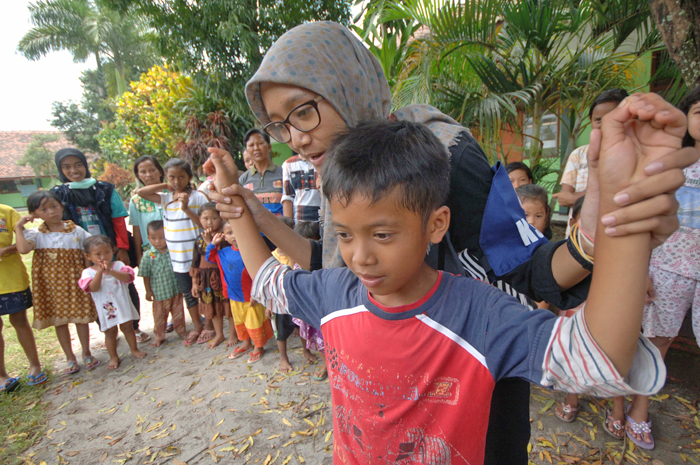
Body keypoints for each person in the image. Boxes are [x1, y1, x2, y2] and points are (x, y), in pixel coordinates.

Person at [207, 21, 693, 465]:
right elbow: (326, 267)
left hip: (472, 388)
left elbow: (525, 267)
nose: (294, 137)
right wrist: (248, 212)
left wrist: (617, 223)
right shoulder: (344, 204)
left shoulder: (442, 159)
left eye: (303, 112)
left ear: (345, 85)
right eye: (278, 124)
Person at [614, 85, 700, 450]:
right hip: (672, 258)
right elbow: (647, 216)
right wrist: (643, 267)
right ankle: (638, 409)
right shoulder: (670, 160)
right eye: (698, 111)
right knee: (657, 339)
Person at [52, 148, 150, 343]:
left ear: (85, 165)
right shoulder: (59, 194)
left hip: (110, 247)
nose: (74, 170)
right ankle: (109, 329)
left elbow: (118, 219)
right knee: (96, 289)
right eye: (67, 167)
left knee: (125, 285)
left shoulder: (104, 189)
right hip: (82, 252)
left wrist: (121, 248)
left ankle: (133, 327)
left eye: (78, 164)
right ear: (60, 169)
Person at [14, 191, 99, 375]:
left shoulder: (76, 230)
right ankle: (70, 357)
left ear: (61, 206)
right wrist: (18, 227)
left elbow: (88, 249)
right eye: (44, 209)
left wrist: (89, 272)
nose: (51, 211)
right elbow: (22, 249)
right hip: (51, 287)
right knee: (60, 321)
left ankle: (86, 352)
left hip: (75, 283)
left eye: (54, 206)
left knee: (80, 318)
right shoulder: (36, 234)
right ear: (34, 214)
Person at [134, 158, 208, 347]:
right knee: (187, 293)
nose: (177, 181)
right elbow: (140, 192)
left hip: (197, 254)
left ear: (189, 177)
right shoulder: (165, 198)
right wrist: (168, 187)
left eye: (181, 177)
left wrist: (185, 208)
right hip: (177, 257)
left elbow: (204, 224)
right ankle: (198, 326)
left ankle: (210, 322)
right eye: (172, 177)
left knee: (205, 288)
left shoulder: (198, 197)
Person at [554, 89, 629, 235]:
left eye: (612, 117)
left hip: (615, 235)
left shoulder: (633, 155)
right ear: (591, 120)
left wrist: (578, 197)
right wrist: (603, 195)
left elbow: (622, 198)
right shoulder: (579, 155)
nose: (604, 124)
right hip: (578, 237)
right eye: (598, 119)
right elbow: (564, 199)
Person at [206, 223, 273, 363]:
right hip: (233, 296)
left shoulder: (251, 251)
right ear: (224, 236)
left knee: (253, 322)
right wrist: (213, 244)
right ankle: (246, 343)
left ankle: (258, 347)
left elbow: (259, 272)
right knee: (240, 321)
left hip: (251, 296)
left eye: (238, 231)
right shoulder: (223, 253)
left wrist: (257, 293)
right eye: (230, 233)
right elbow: (209, 257)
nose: (235, 236)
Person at [78, 235, 147, 369]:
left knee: (128, 328)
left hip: (122, 304)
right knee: (110, 333)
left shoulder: (119, 265)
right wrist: (100, 272)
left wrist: (110, 271)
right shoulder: (88, 273)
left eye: (107, 252)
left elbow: (127, 278)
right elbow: (93, 287)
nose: (103, 257)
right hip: (106, 308)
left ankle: (134, 349)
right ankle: (114, 357)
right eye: (98, 254)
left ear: (113, 251)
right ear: (88, 256)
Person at [0, 204, 46, 392]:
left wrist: (4, 250)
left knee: (20, 320)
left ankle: (35, 366)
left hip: (11, 279)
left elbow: (23, 241)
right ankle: (2, 375)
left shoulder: (6, 211)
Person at [267, 216, 315, 372]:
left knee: (301, 326)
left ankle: (305, 350)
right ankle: (283, 358)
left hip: (296, 298)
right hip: (279, 301)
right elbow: (270, 282)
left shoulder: (295, 254)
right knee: (280, 333)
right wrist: (269, 304)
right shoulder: (271, 256)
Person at [191, 203, 236, 349]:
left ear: (221, 219)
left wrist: (210, 242)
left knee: (228, 307)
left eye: (214, 218)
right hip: (205, 279)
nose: (209, 222)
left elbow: (221, 256)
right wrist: (194, 282)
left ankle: (232, 335)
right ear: (199, 219)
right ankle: (219, 334)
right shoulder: (198, 239)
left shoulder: (225, 237)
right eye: (205, 218)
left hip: (222, 276)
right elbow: (195, 262)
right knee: (213, 309)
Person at [138, 221, 188, 347]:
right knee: (160, 317)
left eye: (161, 237)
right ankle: (159, 336)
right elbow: (145, 275)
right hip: (159, 294)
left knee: (178, 313)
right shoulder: (148, 256)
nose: (158, 241)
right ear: (148, 238)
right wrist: (148, 291)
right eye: (153, 238)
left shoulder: (172, 252)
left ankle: (182, 331)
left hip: (175, 290)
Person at [291, 221, 327, 380]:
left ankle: (330, 364)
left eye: (309, 244)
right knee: (316, 339)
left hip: (321, 309)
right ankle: (326, 363)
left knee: (326, 339)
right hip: (307, 310)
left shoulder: (322, 265)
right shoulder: (296, 266)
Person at [238, 129, 284, 216]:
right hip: (254, 228)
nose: (256, 148)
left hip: (279, 227)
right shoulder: (243, 179)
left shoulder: (283, 174)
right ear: (247, 151)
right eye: (251, 145)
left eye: (260, 143)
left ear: (269, 147)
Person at [281, 154, 321, 222]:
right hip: (299, 221)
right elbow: (288, 196)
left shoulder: (323, 160)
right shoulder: (289, 164)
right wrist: (289, 227)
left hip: (323, 220)